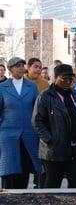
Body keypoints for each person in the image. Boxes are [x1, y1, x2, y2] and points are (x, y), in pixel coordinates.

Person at [32, 64, 76, 188]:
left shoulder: (75, 94)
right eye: (64, 79)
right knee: (52, 185)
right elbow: (37, 121)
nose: (68, 82)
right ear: (55, 78)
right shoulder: (46, 96)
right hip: (54, 151)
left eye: (70, 79)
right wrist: (50, 140)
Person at [0, 57, 41, 189]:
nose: (20, 68)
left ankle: (22, 196)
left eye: (22, 65)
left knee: (25, 166)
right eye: (17, 66)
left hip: (29, 133)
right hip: (8, 135)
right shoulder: (2, 87)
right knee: (9, 169)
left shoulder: (32, 87)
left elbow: (37, 110)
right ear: (10, 69)